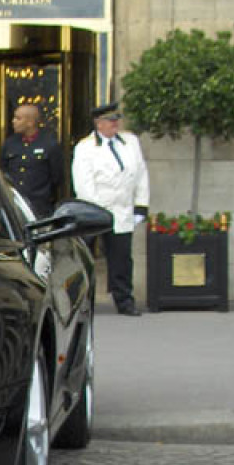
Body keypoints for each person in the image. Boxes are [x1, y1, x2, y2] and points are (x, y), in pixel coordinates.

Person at [71, 102, 150, 316]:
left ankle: (124, 301)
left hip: (122, 211)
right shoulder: (85, 147)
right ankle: (83, 302)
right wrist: (97, 211)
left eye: (116, 120)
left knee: (122, 259)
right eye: (110, 120)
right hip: (95, 211)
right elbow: (84, 183)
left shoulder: (130, 142)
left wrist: (141, 205)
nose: (115, 124)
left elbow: (141, 174)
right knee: (85, 259)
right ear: (99, 123)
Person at [0, 102, 64, 219]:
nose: (13, 121)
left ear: (30, 122)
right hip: (13, 205)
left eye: (18, 118)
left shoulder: (49, 144)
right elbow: (2, 171)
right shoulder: (10, 143)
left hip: (39, 207)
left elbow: (57, 177)